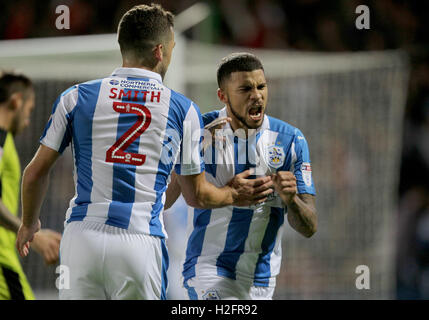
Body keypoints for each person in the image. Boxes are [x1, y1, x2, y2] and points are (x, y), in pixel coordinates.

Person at [16, 4, 273, 300]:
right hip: (139, 244)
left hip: (80, 240)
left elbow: (35, 171)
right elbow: (197, 196)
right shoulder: (181, 108)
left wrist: (29, 223)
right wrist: (233, 194)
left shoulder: (76, 97)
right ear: (160, 51)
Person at [165, 52, 318, 300]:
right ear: (222, 96)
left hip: (262, 280)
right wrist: (192, 152)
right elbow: (165, 201)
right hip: (208, 270)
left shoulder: (291, 141)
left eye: (261, 86)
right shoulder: (200, 133)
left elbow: (310, 226)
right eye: (245, 88)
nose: (256, 95)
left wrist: (291, 199)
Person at [0, 72, 61, 300]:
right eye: (29, 110)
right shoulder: (0, 140)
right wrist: (29, 231)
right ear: (16, 101)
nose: (28, 119)